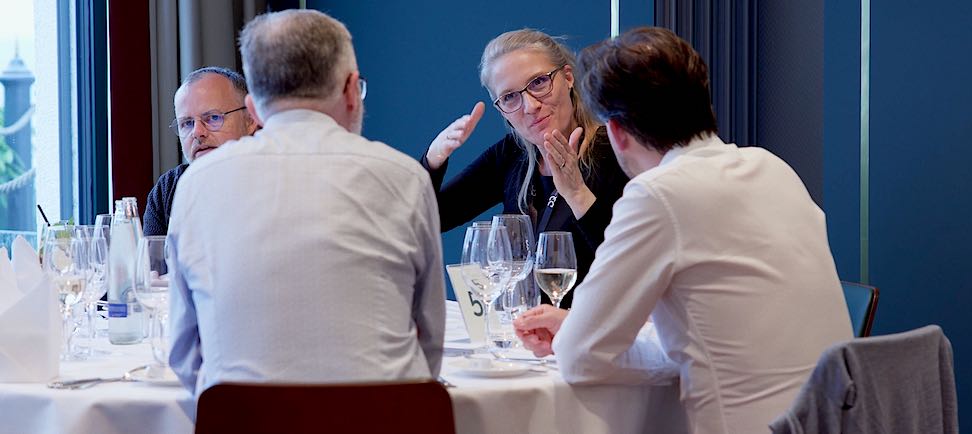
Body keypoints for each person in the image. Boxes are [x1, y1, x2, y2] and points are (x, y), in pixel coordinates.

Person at [513, 27, 853, 434]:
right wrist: (574, 327)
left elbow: (578, 359)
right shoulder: (772, 168)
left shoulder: (657, 195)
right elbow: (710, 338)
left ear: (617, 133)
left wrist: (575, 333)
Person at [166, 10, 445, 396]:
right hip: (384, 418)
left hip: (243, 421)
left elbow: (184, 356)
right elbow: (430, 343)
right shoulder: (405, 178)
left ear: (252, 109)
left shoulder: (197, 185)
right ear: (352, 90)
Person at [422, 29, 630, 308]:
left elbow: (629, 264)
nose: (530, 106)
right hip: (519, 323)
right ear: (501, 110)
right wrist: (433, 160)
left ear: (568, 77)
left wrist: (577, 194)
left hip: (590, 324)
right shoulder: (513, 154)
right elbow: (430, 218)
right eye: (510, 97)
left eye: (539, 82)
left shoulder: (616, 153)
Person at [144, 66, 258, 236]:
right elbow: (152, 253)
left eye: (213, 118)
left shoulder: (275, 181)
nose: (197, 132)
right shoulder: (168, 190)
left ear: (250, 120)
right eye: (187, 123)